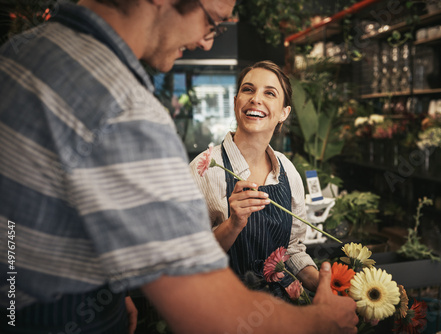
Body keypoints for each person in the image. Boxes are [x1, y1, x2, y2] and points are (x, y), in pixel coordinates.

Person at [0, 0, 358, 333]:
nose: (206, 42)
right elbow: (205, 310)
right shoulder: (127, 109)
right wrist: (319, 322)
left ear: (284, 114)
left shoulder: (20, 51)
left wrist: (112, 282)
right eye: (212, 22)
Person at [189, 60, 321, 298]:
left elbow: (291, 250)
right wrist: (233, 224)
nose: (256, 98)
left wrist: (323, 284)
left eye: (269, 93)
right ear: (236, 102)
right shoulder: (206, 169)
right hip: (222, 305)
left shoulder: (288, 171)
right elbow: (189, 255)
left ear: (284, 113)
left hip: (280, 308)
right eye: (248, 89)